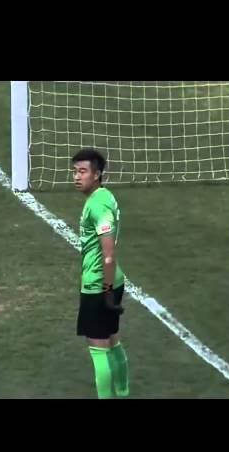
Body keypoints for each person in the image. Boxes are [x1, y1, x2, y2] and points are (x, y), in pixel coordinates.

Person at [72, 148, 129, 399]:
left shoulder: (97, 206)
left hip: (99, 285)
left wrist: (105, 292)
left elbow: (108, 253)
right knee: (113, 340)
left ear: (97, 175)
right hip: (112, 280)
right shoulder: (105, 196)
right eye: (75, 171)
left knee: (99, 348)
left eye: (82, 171)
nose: (77, 176)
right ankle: (123, 392)